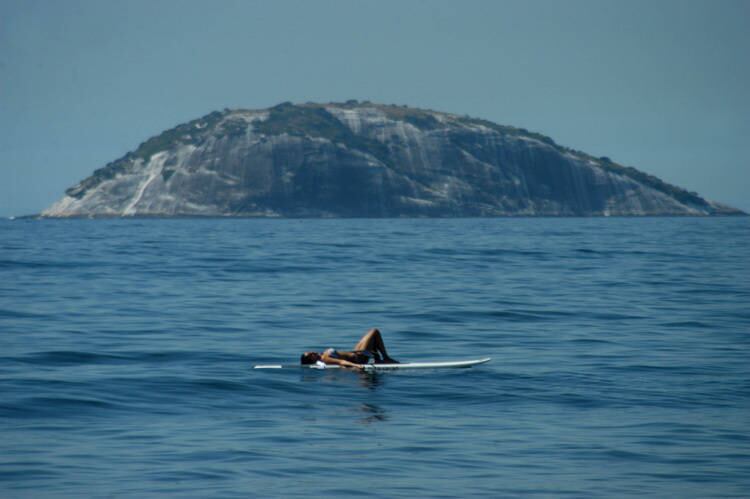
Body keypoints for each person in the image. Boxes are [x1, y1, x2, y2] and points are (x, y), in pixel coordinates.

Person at [300, 328, 399, 368]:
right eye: (310, 355)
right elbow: (341, 362)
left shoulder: (323, 355)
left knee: (371, 338)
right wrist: (356, 366)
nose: (312, 352)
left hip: (356, 353)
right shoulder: (324, 358)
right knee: (374, 332)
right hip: (359, 358)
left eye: (310, 352)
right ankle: (385, 358)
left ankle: (378, 359)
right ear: (311, 360)